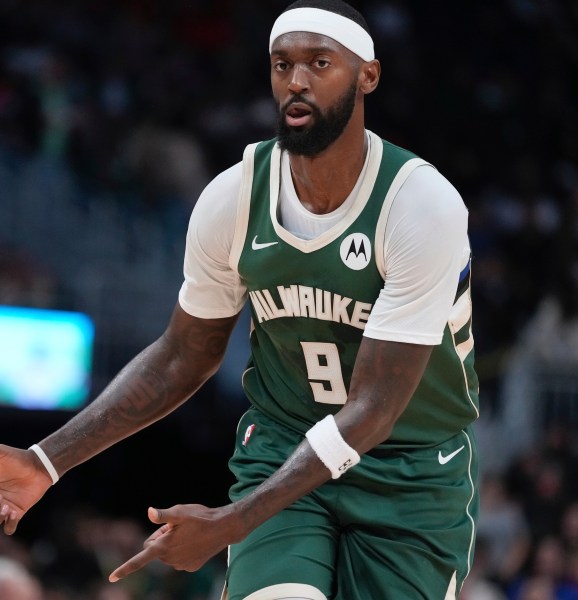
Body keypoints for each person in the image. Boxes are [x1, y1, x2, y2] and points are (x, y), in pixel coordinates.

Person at [0, 1, 480, 598]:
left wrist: (232, 521)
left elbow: (374, 410)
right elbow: (183, 355)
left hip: (408, 469)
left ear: (367, 76)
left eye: (319, 63)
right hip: (284, 448)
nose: (296, 81)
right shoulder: (233, 197)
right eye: (282, 66)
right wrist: (45, 461)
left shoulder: (420, 203)